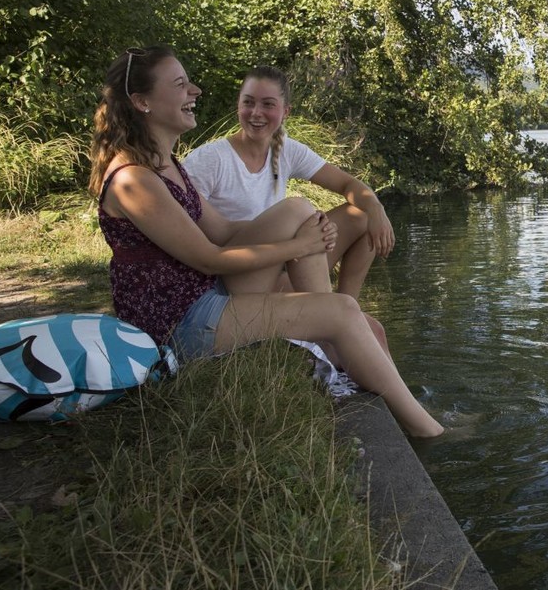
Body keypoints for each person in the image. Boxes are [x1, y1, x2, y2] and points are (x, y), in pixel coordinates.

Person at [89, 46, 442, 438]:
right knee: (343, 311)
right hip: (179, 324)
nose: (195, 90)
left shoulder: (165, 165)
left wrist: (303, 229)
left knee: (298, 209)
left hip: (206, 297)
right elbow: (208, 258)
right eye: (180, 84)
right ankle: (427, 431)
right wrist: (298, 247)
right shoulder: (133, 180)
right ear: (142, 102)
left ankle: (335, 348)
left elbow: (225, 231)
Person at [183, 66, 391, 301]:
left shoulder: (285, 149)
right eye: (248, 102)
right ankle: (334, 317)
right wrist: (301, 234)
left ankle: (348, 305)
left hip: (280, 266)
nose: (256, 113)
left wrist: (376, 209)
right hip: (236, 278)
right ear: (238, 105)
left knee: (362, 215)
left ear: (285, 112)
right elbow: (191, 238)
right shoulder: (209, 160)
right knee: (298, 210)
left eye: (268, 105)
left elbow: (348, 184)